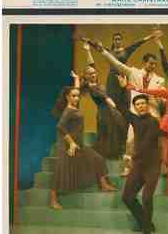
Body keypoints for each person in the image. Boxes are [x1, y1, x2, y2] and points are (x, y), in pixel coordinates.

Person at [93, 44, 166, 176]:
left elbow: (162, 96)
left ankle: (156, 168)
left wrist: (162, 99)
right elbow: (117, 64)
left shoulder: (159, 80)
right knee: (130, 141)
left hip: (152, 114)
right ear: (144, 62)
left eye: (155, 64)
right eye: (151, 63)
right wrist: (103, 51)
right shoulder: (133, 72)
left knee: (154, 143)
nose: (153, 66)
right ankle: (128, 167)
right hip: (135, 113)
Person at [49, 72, 118, 210]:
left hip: (79, 144)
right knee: (62, 171)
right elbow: (60, 127)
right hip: (69, 146)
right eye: (73, 96)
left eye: (77, 95)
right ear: (67, 97)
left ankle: (103, 184)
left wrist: (76, 79)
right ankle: (53, 199)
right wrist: (71, 143)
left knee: (98, 159)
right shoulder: (68, 110)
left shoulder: (74, 106)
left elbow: (76, 90)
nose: (76, 97)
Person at [113, 91, 162, 234]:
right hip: (139, 165)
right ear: (135, 107)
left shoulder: (154, 122)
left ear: (147, 105)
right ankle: (146, 223)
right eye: (137, 104)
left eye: (143, 103)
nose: (140, 106)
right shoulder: (135, 119)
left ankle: (147, 233)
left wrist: (130, 158)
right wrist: (122, 89)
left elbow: (146, 143)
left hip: (152, 165)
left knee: (147, 198)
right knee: (127, 197)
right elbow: (121, 109)